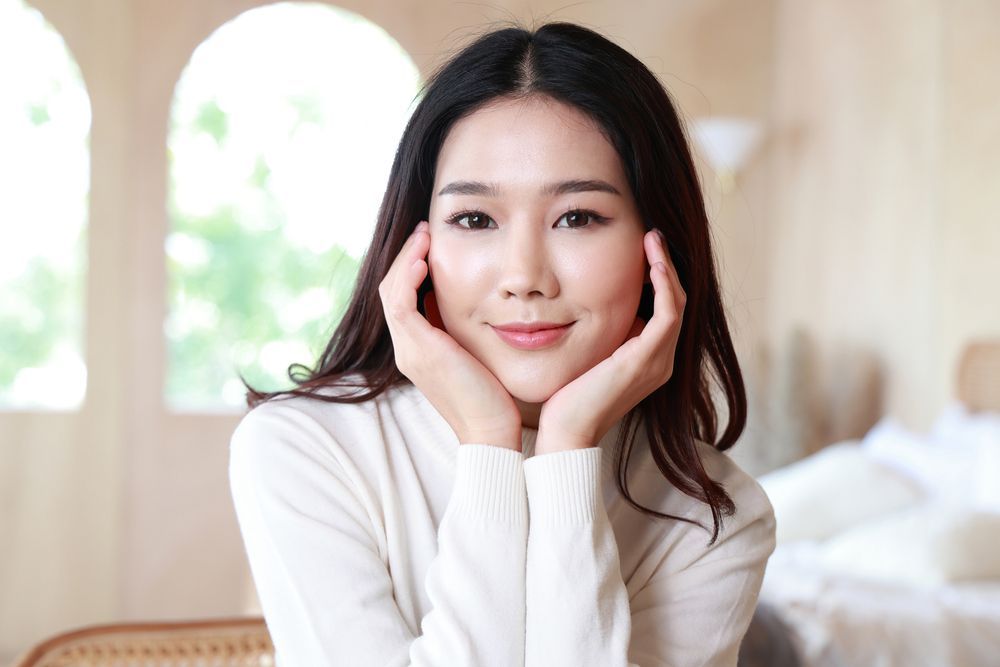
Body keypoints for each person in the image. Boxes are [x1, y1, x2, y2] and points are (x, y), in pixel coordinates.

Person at [229, 21, 776, 667]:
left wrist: (567, 449)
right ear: (418, 245)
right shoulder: (306, 449)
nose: (524, 276)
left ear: (658, 248)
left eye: (577, 217)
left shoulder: (715, 518)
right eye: (475, 218)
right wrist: (488, 440)